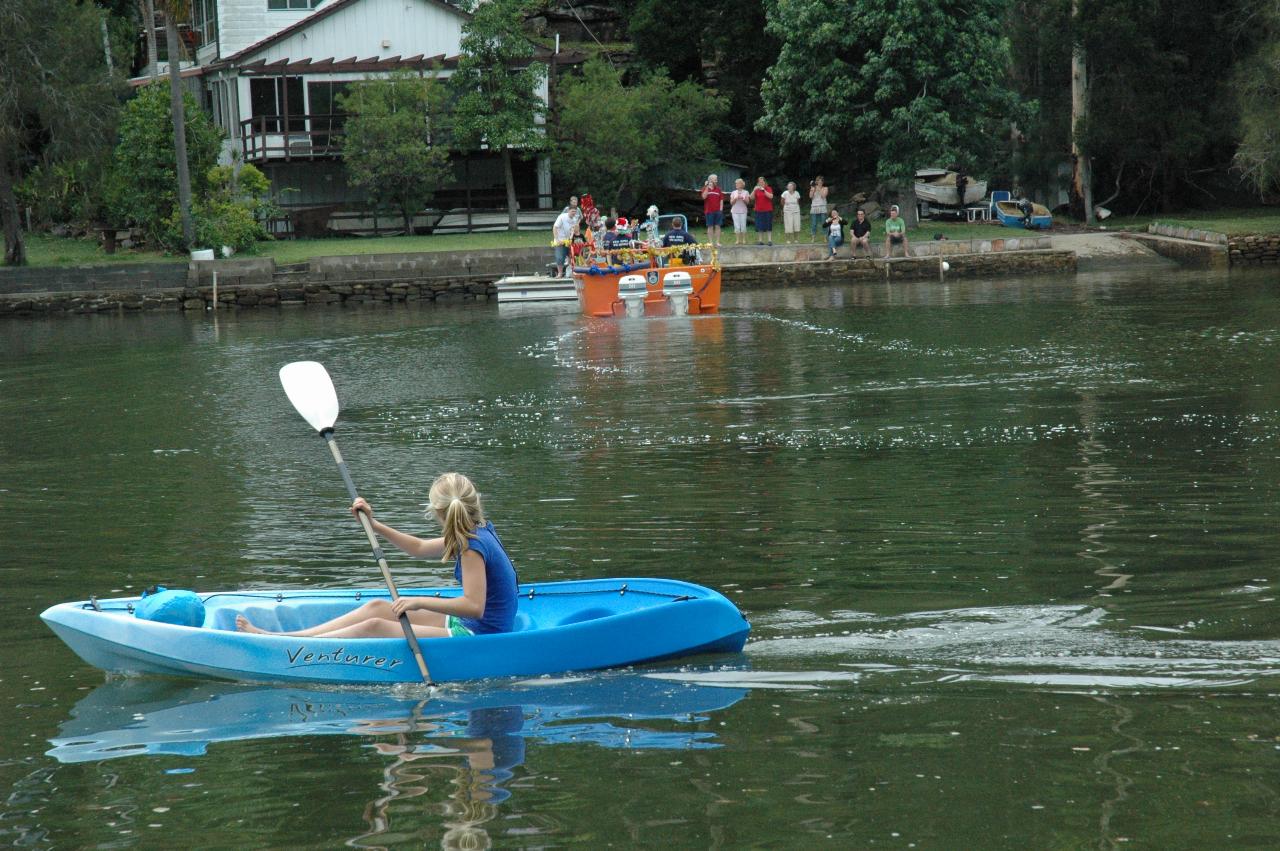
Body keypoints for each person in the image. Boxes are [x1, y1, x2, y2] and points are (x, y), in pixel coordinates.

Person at [236, 473, 518, 639]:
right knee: (376, 608)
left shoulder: (471, 545)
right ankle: (287, 639)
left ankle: (294, 647)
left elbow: (474, 606)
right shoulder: (473, 529)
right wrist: (374, 525)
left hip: (480, 634)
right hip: (472, 624)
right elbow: (418, 548)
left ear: (438, 513)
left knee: (374, 626)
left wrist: (419, 601)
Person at [551, 205, 580, 277]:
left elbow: (575, 231)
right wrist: (557, 239)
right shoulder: (562, 217)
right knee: (560, 257)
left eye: (575, 212)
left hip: (569, 240)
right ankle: (560, 273)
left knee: (572, 256)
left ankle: (571, 272)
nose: (574, 213)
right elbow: (555, 227)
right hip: (560, 240)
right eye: (572, 211)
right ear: (568, 211)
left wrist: (574, 236)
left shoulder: (575, 219)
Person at [700, 174, 725, 248]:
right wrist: (707, 186)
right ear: (710, 180)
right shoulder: (705, 188)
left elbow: (721, 200)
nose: (716, 180)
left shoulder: (718, 189)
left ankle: (717, 242)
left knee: (718, 226)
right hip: (709, 211)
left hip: (718, 211)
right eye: (715, 179)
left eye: (716, 179)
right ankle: (710, 243)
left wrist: (721, 210)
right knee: (710, 227)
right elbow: (704, 197)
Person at [751, 176, 774, 245]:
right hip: (758, 210)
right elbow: (751, 198)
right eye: (759, 182)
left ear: (765, 182)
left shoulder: (768, 188)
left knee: (768, 225)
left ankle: (769, 240)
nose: (761, 183)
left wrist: (764, 190)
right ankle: (760, 241)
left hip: (767, 210)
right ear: (758, 183)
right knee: (759, 226)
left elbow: (771, 196)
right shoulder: (756, 190)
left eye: (762, 182)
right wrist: (754, 190)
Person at [728, 179, 751, 245]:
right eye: (736, 183)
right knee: (737, 226)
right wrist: (735, 198)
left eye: (737, 183)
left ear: (741, 184)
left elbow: (747, 202)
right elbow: (731, 203)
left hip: (743, 211)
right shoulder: (733, 192)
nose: (736, 185)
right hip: (735, 211)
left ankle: (744, 240)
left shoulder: (746, 192)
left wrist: (743, 198)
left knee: (743, 226)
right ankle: (737, 240)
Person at [808, 176, 829, 242]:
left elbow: (823, 196)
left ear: (822, 182)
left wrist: (818, 188)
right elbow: (810, 196)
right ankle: (813, 237)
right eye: (818, 181)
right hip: (814, 207)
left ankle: (825, 237)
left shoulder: (825, 188)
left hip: (822, 207)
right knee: (814, 224)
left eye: (821, 181)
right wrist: (812, 188)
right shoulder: (813, 188)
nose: (819, 182)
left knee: (824, 223)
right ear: (816, 182)